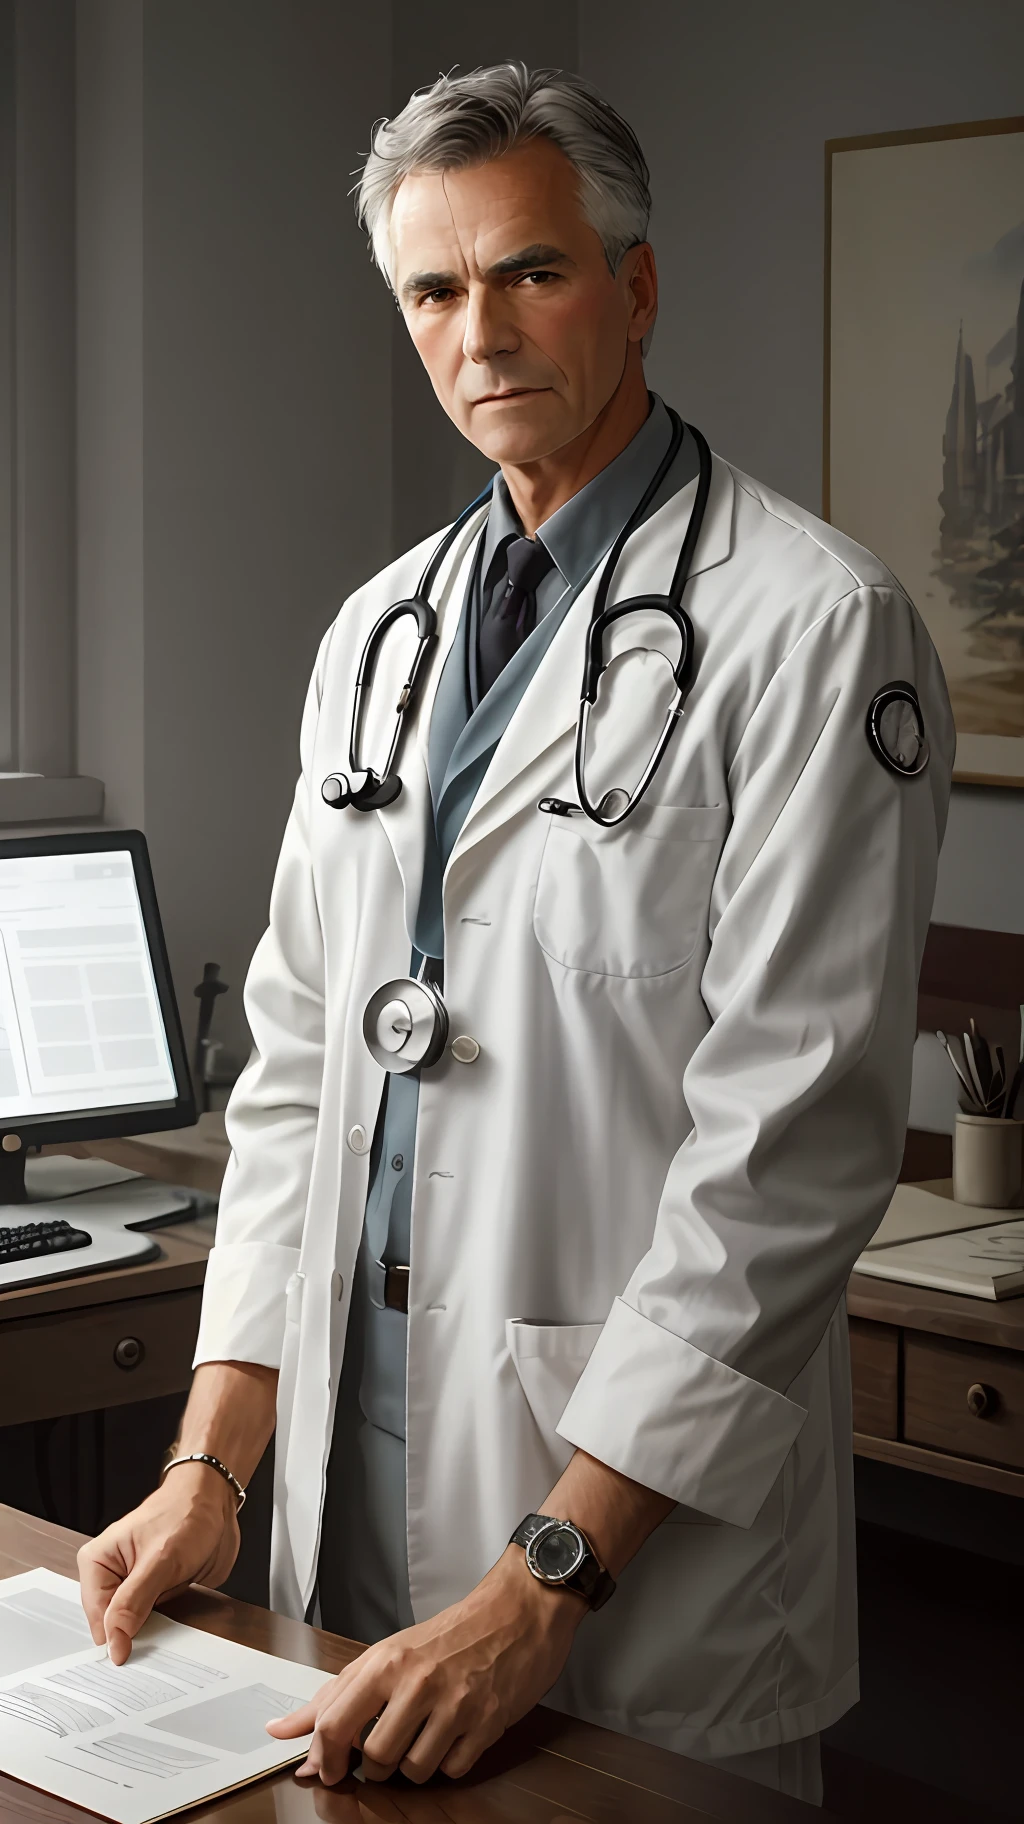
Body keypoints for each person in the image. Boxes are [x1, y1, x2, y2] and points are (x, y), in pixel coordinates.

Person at [77, 63, 954, 1806]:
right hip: (351, 1510)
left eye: (531, 271)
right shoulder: (377, 633)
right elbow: (301, 1080)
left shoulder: (812, 629)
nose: (481, 331)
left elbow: (779, 1168)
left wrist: (543, 1584)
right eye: (433, 289)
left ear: (634, 286)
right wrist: (211, 1471)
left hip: (631, 1563)